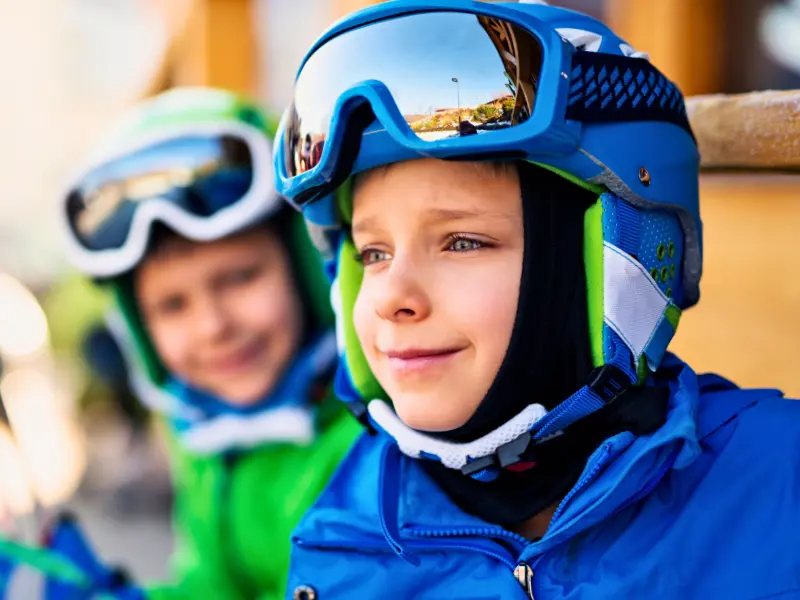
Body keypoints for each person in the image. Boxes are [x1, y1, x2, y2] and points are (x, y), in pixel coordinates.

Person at [271, 2, 800, 599]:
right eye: (372, 254)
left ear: (606, 263)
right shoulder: (341, 546)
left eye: (462, 242)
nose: (394, 296)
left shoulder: (781, 487)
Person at [61, 87, 360, 600]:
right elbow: (214, 586)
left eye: (240, 278)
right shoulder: (205, 439)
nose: (212, 327)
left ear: (310, 272)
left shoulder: (373, 446)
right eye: (172, 306)